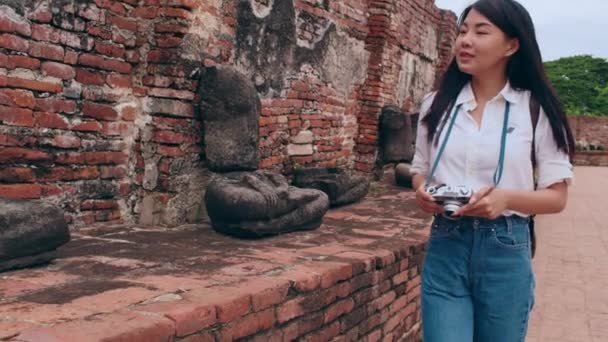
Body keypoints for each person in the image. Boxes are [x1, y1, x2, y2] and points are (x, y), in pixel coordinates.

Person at [409, 0, 575, 341]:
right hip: (446, 243)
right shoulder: (435, 104)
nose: (465, 40)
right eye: (463, 31)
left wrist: (505, 199)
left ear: (512, 45)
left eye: (480, 32)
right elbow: (420, 169)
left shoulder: (535, 109)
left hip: (506, 247)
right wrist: (422, 189)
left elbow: (557, 198)